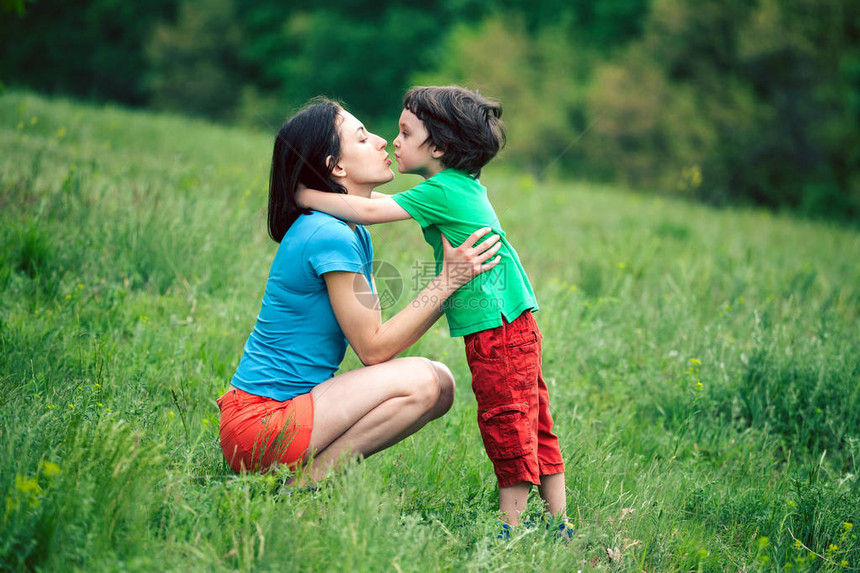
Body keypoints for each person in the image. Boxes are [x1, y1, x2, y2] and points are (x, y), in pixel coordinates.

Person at [296, 86, 572, 537]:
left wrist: (307, 195)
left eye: (405, 133)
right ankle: (559, 524)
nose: (395, 141)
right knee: (533, 417)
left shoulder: (442, 190)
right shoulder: (458, 186)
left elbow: (366, 210)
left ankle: (513, 529)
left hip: (497, 327)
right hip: (512, 319)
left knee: (507, 420)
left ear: (439, 148)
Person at [217, 96, 502, 484]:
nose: (383, 141)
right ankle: (306, 486)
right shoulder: (327, 235)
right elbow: (374, 348)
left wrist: (451, 281)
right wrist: (449, 281)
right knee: (426, 380)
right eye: (363, 138)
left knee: (440, 385)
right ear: (335, 166)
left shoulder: (350, 230)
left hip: (286, 415)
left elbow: (375, 340)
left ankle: (304, 482)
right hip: (261, 424)